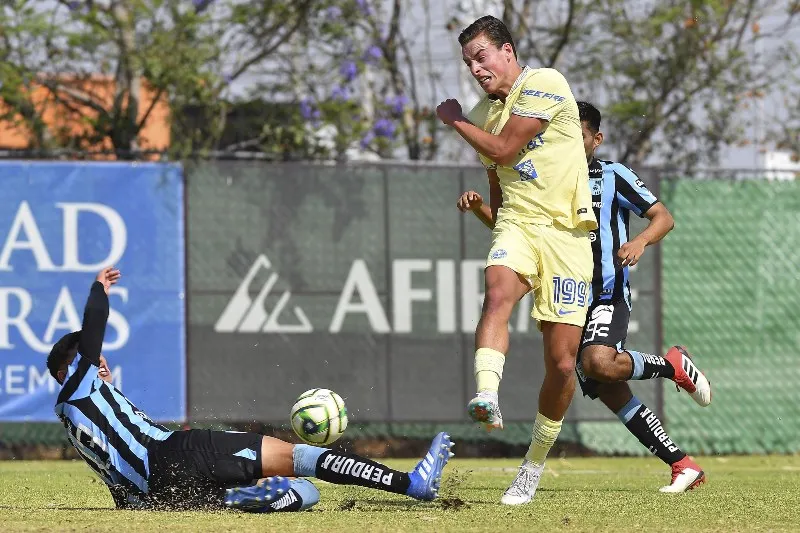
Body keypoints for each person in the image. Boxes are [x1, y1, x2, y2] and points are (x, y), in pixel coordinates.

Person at [456, 101, 712, 494]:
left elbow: (663, 216)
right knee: (607, 386)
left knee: (597, 362)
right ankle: (682, 464)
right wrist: (481, 210)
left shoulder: (612, 175)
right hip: (565, 293)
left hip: (605, 293)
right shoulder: (546, 179)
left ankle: (670, 365)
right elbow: (521, 230)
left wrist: (640, 241)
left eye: (577, 137)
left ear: (596, 139)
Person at [48, 267, 454, 512]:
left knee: (305, 493)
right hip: (177, 454)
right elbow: (95, 327)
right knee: (301, 458)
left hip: (159, 493)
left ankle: (234, 500)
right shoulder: (78, 386)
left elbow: (123, 488)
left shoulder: (73, 413)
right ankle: (410, 484)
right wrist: (98, 289)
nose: (99, 361)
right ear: (70, 368)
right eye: (88, 357)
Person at [436, 16, 597, 505]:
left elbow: (506, 150)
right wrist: (491, 221)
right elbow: (500, 189)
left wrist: (454, 119)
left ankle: (531, 466)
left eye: (481, 56)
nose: (476, 68)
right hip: (520, 226)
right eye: (468, 62)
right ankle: (487, 393)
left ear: (507, 51)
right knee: (497, 295)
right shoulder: (485, 113)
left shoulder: (544, 82)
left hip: (568, 236)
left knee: (563, 363)